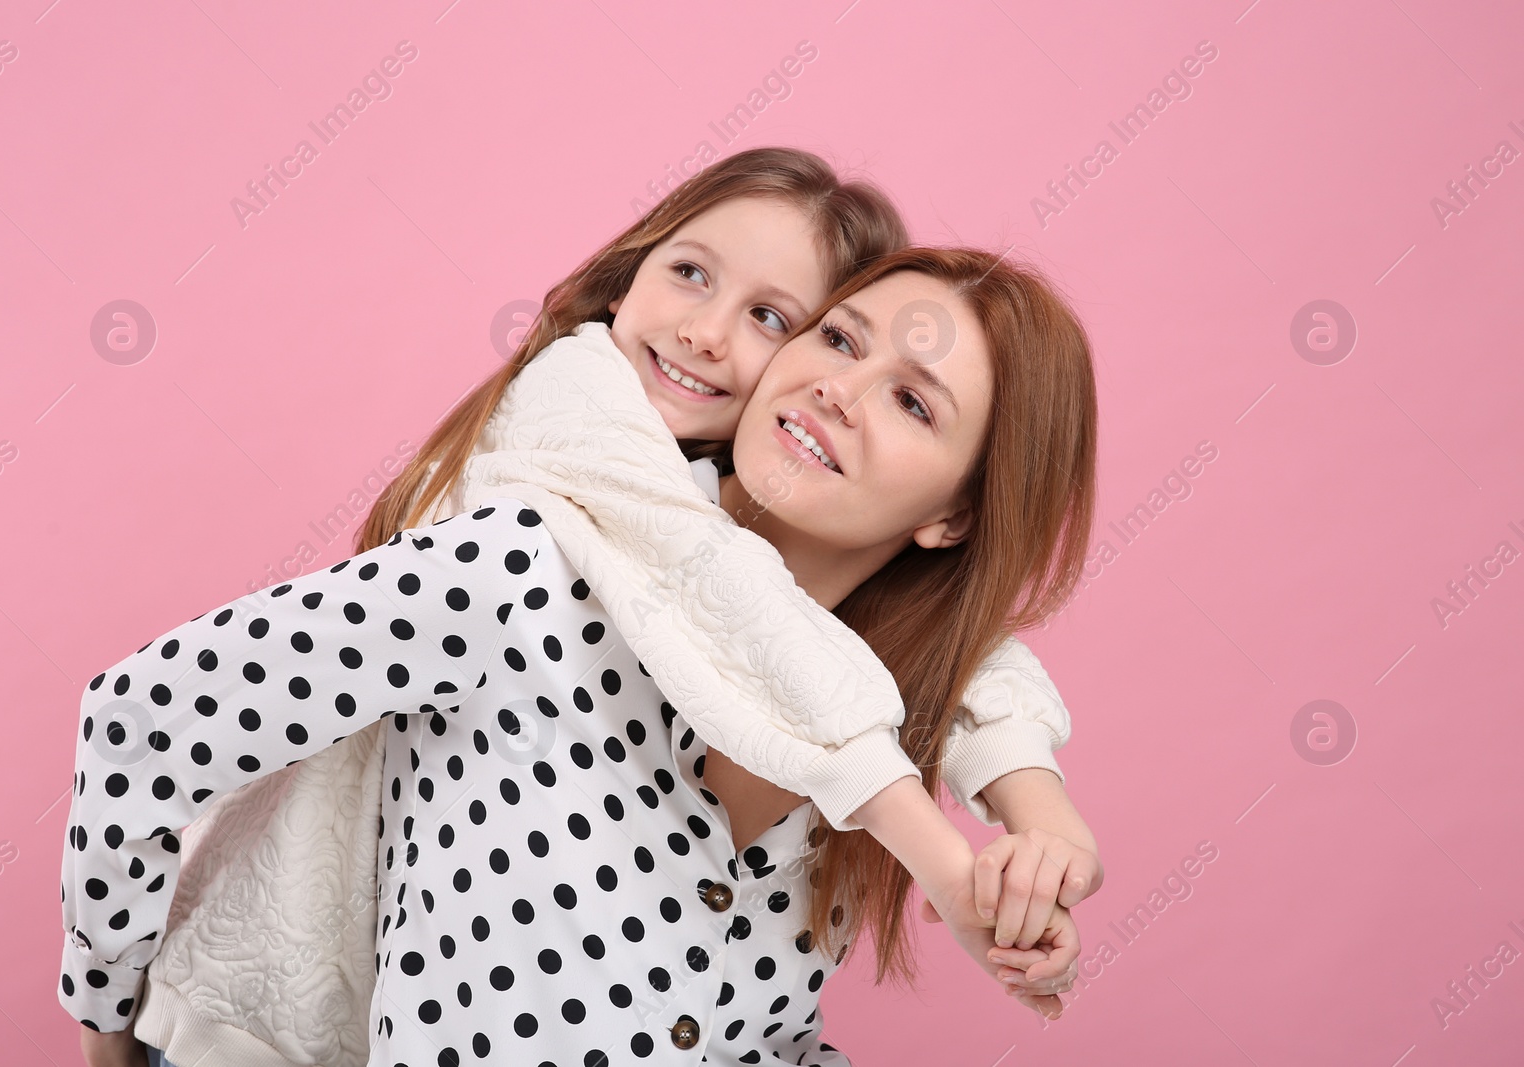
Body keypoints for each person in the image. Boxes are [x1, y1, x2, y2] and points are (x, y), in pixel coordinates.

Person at [65, 244, 1096, 1067]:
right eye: (836, 337)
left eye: (912, 401)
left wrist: (1042, 823)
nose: (837, 388)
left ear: (955, 515)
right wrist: (110, 1023)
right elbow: (139, 721)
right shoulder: (522, 567)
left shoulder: (894, 703)